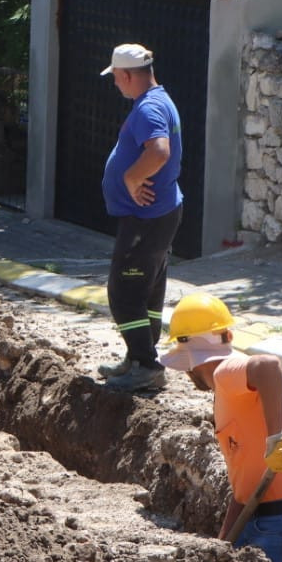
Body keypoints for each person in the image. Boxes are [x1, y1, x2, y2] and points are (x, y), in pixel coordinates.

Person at [160, 293, 282, 562]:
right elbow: (243, 490)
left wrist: (275, 439)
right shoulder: (230, 393)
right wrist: (222, 544)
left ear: (191, 359)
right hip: (265, 520)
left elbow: (269, 366)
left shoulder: (225, 373)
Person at [96, 43, 183, 393]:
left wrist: (131, 178)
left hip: (146, 218)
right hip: (155, 215)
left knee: (124, 291)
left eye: (116, 78)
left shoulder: (149, 108)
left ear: (128, 75)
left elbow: (159, 151)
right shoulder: (158, 101)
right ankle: (138, 356)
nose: (115, 83)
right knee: (147, 288)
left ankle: (146, 365)